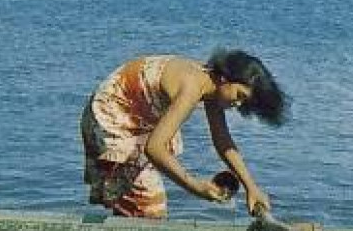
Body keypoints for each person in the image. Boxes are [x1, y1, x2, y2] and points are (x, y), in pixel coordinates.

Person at [80, 48, 287, 219]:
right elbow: (154, 148)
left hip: (138, 116)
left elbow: (222, 141)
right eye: (239, 95)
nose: (238, 104)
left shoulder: (212, 87)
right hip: (112, 115)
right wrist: (195, 186)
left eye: (244, 101)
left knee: (136, 198)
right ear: (224, 79)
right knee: (149, 206)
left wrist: (251, 187)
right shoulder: (192, 86)